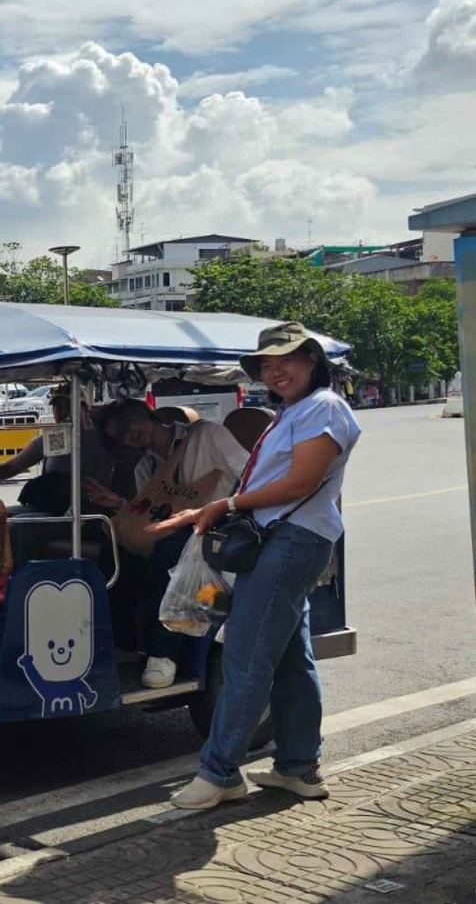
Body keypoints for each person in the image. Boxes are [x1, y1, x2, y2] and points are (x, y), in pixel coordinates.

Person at [159, 322, 360, 810]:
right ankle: (298, 767)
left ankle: (220, 773)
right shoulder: (294, 410)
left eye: (286, 360)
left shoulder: (324, 407)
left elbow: (300, 482)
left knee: (246, 656)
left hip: (290, 540)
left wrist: (225, 506)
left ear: (311, 360)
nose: (276, 371)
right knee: (291, 659)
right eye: (267, 365)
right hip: (281, 539)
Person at [80, 398, 248, 689]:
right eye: (118, 434)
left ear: (146, 414)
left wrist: (223, 510)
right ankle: (123, 643)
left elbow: (251, 475)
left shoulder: (205, 435)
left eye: (127, 423)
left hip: (221, 528)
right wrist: (119, 505)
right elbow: (150, 514)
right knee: (114, 549)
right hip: (174, 529)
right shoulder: (145, 465)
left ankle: (163, 653)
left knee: (167, 550)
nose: (128, 433)